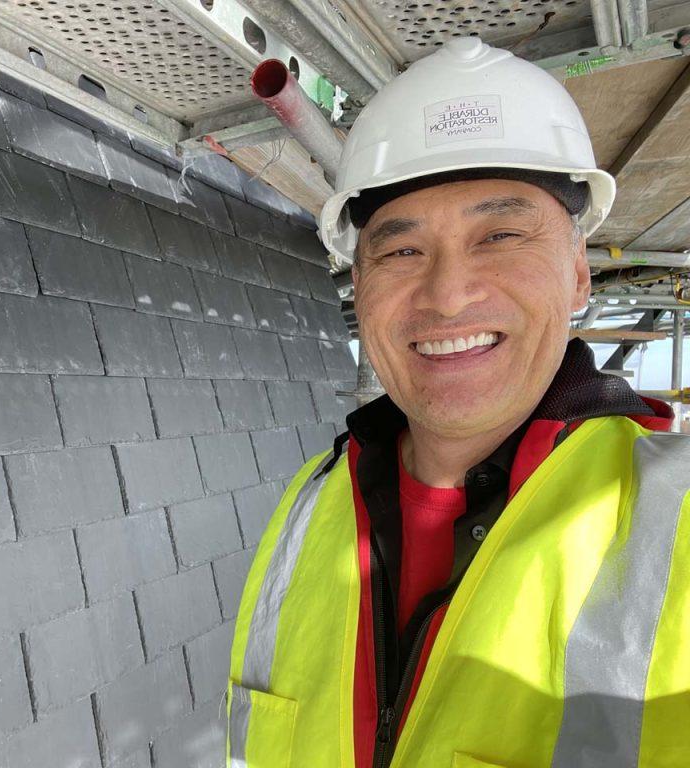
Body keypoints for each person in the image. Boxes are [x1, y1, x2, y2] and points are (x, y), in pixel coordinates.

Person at [226, 37, 689, 768]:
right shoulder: (309, 508)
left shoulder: (679, 520)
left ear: (577, 277)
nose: (446, 294)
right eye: (401, 250)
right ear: (359, 284)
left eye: (500, 234)